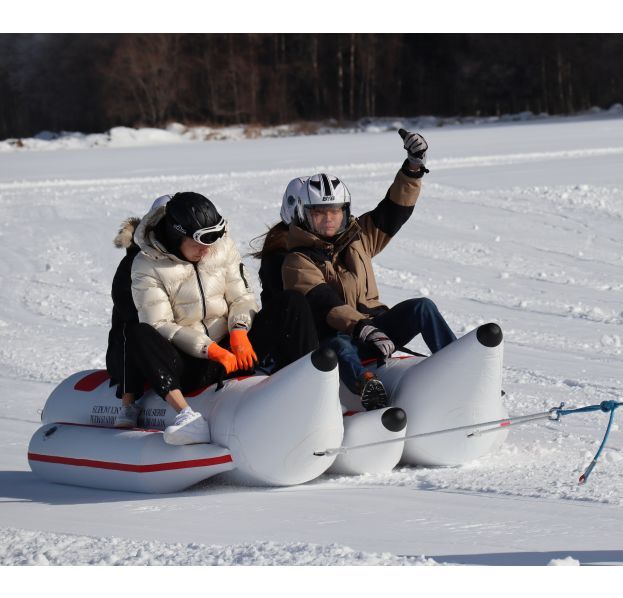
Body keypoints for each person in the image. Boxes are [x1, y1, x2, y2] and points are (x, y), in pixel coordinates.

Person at [282, 130, 457, 410]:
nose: (329, 219)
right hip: (337, 337)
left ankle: (460, 369)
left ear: (345, 211)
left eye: (335, 211)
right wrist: (362, 328)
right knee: (339, 345)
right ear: (304, 214)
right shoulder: (297, 260)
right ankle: (368, 387)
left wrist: (413, 167)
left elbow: (394, 210)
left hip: (377, 327)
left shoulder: (359, 235)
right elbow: (327, 304)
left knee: (422, 307)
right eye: (319, 213)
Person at [126, 192, 317, 444]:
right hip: (192, 363)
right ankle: (186, 416)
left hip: (236, 350)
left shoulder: (221, 247)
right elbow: (160, 324)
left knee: (291, 303)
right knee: (140, 333)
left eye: (210, 244)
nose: (206, 251)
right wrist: (211, 350)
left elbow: (242, 297)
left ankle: (311, 393)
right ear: (175, 235)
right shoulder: (146, 264)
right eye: (198, 245)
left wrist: (239, 331)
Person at [106, 195, 171, 428]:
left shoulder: (177, 258)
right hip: (128, 353)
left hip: (167, 344)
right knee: (136, 328)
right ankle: (128, 402)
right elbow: (131, 312)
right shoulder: (133, 264)